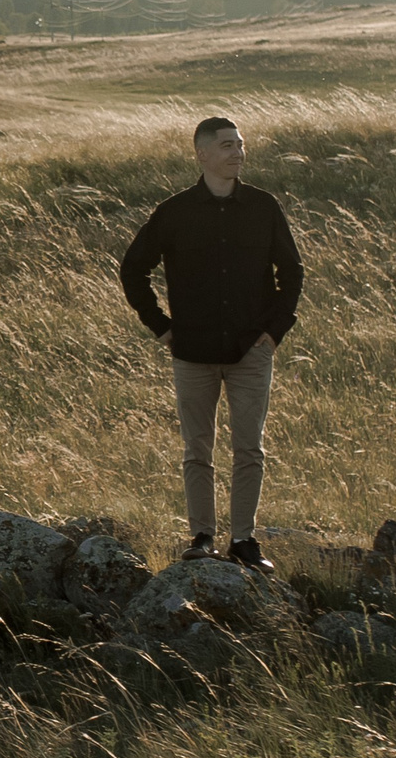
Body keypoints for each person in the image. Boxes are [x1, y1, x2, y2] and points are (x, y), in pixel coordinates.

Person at [119, 115, 305, 570]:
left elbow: (293, 271)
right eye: (227, 145)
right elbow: (133, 269)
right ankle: (201, 537)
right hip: (193, 352)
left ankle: (244, 541)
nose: (238, 152)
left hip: (250, 352)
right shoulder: (174, 212)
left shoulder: (264, 207)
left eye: (240, 144)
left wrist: (274, 332)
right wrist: (160, 325)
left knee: (249, 448)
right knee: (197, 450)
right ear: (202, 154)